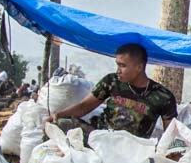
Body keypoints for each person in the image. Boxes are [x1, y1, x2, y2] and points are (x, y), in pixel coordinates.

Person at [49, 42, 177, 137]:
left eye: (123, 66)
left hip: (132, 148)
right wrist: (58, 115)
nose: (118, 71)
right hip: (98, 135)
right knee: (59, 125)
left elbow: (170, 133)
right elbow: (84, 107)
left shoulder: (163, 96)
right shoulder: (111, 81)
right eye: (117, 65)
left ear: (139, 67)